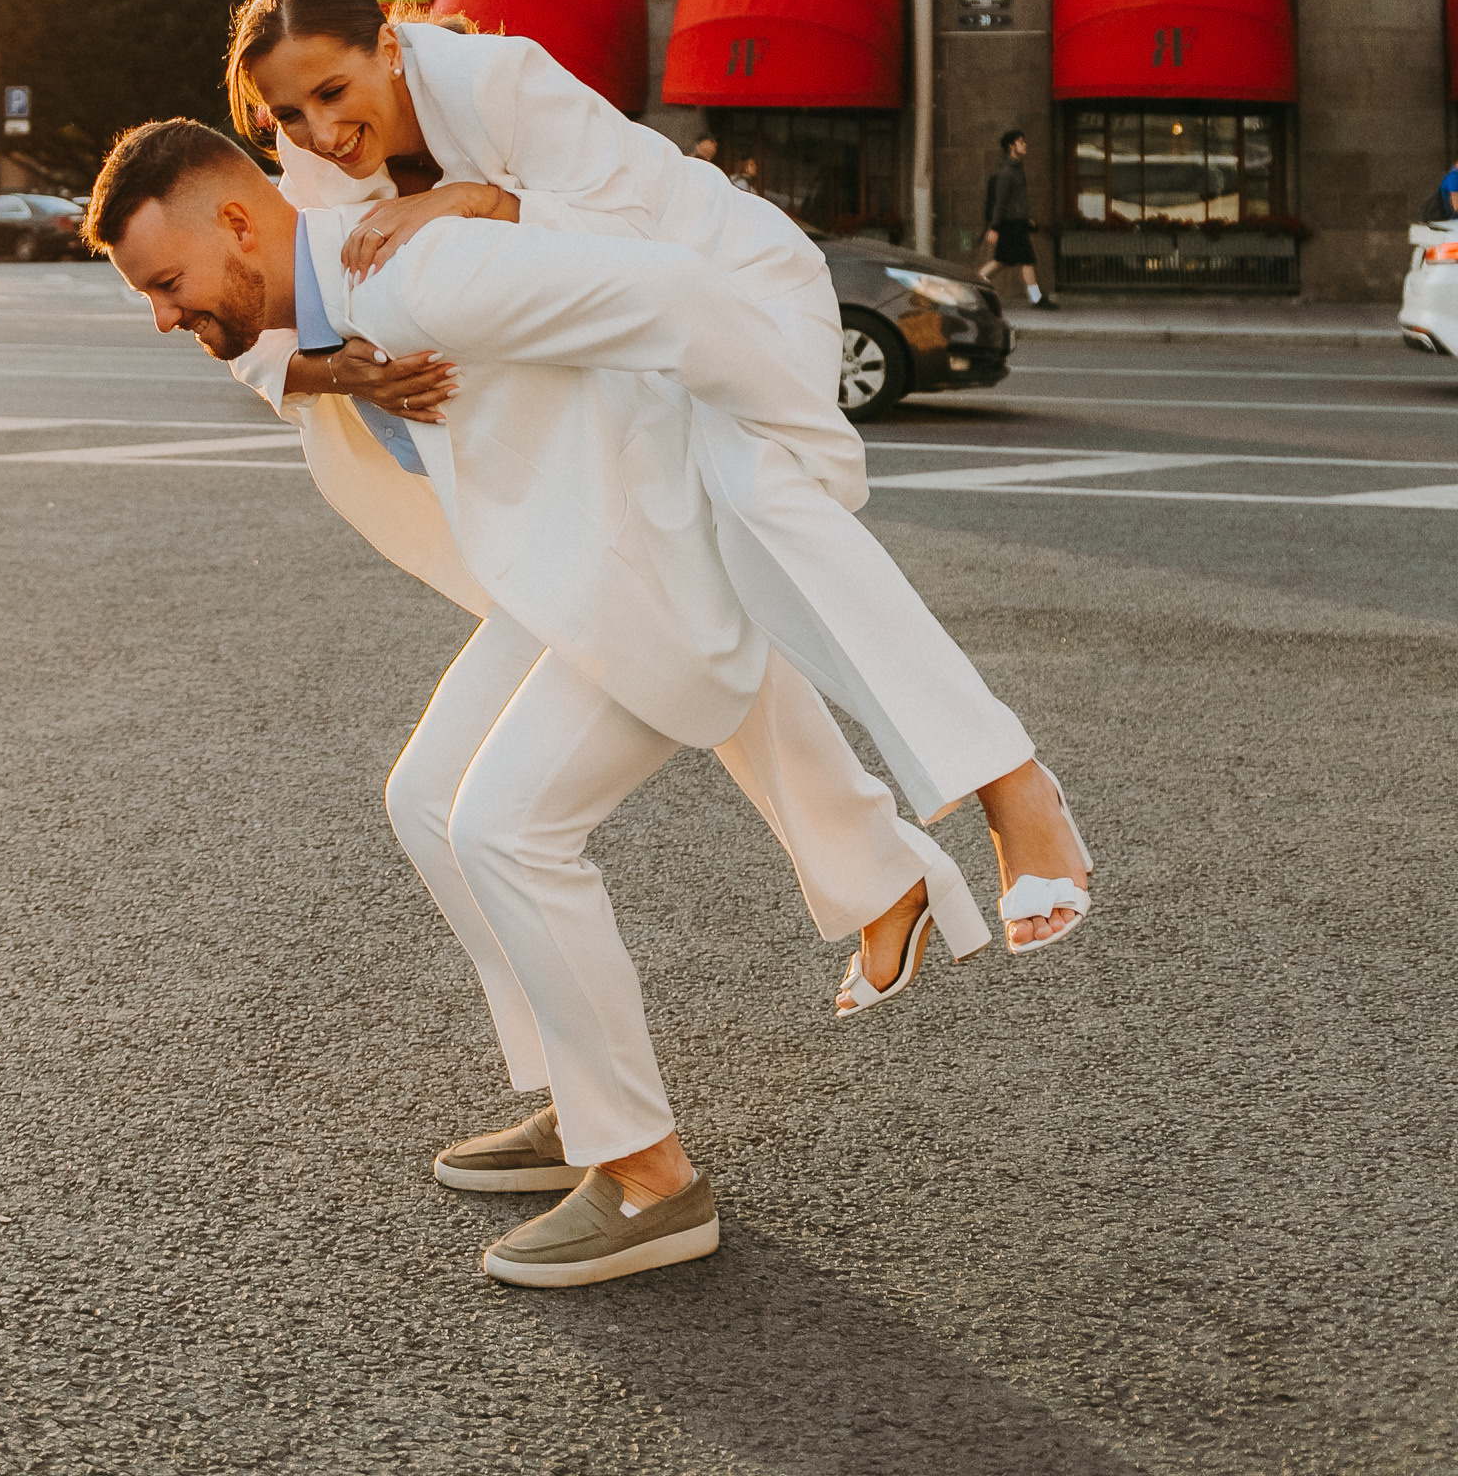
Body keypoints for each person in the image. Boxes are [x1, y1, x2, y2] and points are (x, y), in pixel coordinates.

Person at [90, 119, 1090, 1290]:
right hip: (560, 569)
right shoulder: (303, 298)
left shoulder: (420, 269)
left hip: (647, 568)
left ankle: (647, 1178)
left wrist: (795, 467)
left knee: (504, 829)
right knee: (426, 801)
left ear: (240, 224)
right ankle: (588, 1102)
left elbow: (678, 295)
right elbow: (265, 355)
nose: (161, 316)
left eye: (166, 284)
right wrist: (335, 370)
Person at [226, 0, 1089, 1004]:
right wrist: (335, 372)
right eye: (289, 114)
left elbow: (645, 242)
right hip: (616, 368)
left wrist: (481, 201)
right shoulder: (310, 159)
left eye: (332, 92)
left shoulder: (499, 80)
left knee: (757, 501)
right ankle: (881, 879)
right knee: (682, 609)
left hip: (737, 290)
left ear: (388, 47)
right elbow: (250, 315)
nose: (318, 132)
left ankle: (1009, 785)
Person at [981, 128, 1056, 310]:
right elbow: (1000, 202)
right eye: (1021, 142)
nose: (1025, 145)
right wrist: (994, 227)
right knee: (1023, 260)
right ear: (1011, 146)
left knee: (1002, 261)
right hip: (1010, 224)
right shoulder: (1007, 172)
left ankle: (971, 287)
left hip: (1016, 222)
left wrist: (1026, 219)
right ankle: (1036, 299)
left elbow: (1016, 201)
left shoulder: (1015, 168)